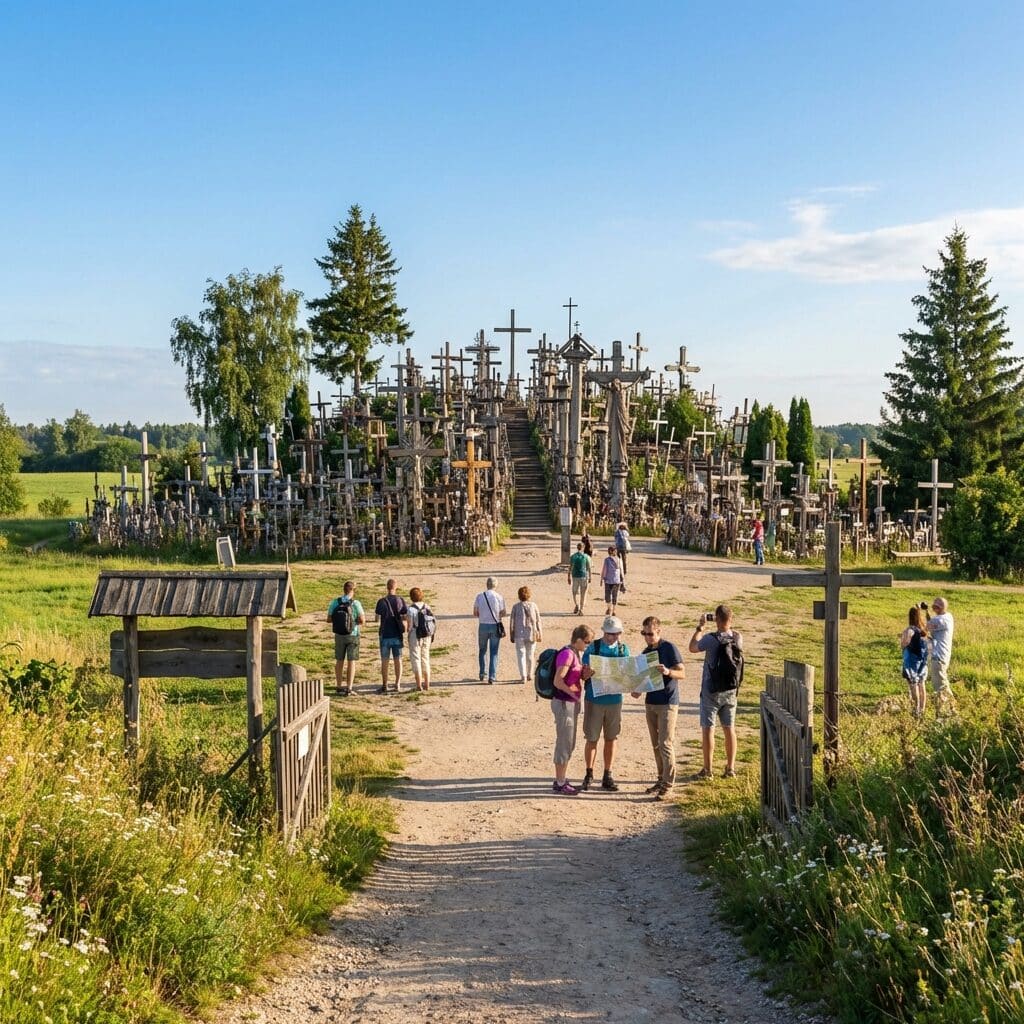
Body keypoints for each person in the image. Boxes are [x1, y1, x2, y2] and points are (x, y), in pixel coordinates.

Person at [631, 616, 685, 799]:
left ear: (659, 631)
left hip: (668, 702)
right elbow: (643, 679)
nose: (647, 637)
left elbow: (682, 673)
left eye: (650, 634)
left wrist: (668, 672)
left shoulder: (669, 648)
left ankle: (668, 784)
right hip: (651, 701)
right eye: (644, 633)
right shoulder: (646, 652)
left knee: (665, 743)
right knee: (656, 744)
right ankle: (661, 778)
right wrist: (637, 690)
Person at [688, 605, 743, 779]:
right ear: (731, 619)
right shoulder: (738, 637)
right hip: (731, 690)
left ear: (717, 619)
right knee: (729, 729)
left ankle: (708, 770)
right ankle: (730, 768)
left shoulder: (711, 639)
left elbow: (693, 647)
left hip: (711, 690)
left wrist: (700, 628)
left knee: (708, 730)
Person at [580, 615, 629, 792]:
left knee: (611, 737)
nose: (612, 638)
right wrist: (589, 673)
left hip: (614, 700)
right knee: (592, 738)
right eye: (609, 634)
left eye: (616, 634)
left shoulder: (624, 649)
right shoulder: (593, 648)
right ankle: (589, 773)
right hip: (594, 699)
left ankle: (607, 774)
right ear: (604, 632)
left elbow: (627, 676)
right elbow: (582, 676)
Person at [550, 624, 594, 795]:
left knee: (569, 742)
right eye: (587, 642)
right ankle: (560, 782)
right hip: (564, 703)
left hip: (569, 703)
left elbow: (575, 677)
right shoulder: (568, 654)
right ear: (578, 640)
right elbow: (558, 680)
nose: (588, 645)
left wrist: (586, 674)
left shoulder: (576, 653)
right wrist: (573, 693)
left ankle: (561, 779)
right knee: (564, 742)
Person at [326, 580, 365, 696]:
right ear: (353, 590)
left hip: (339, 634)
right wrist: (353, 622)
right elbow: (362, 620)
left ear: (344, 590)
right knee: (351, 661)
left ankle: (338, 686)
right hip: (353, 634)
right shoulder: (356, 603)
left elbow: (328, 619)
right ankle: (349, 687)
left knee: (339, 660)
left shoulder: (335, 602)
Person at [374, 578, 408, 694]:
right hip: (397, 634)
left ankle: (384, 685)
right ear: (395, 587)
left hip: (385, 633)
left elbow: (376, 619)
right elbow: (405, 616)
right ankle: (397, 684)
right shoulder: (400, 600)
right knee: (398, 659)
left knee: (385, 660)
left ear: (387, 587)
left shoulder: (381, 601)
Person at [473, 576, 506, 684]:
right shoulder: (499, 597)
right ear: (495, 585)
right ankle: (492, 676)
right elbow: (503, 612)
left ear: (486, 584)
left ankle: (482, 673)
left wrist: (483, 615)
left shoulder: (479, 596)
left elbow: (475, 613)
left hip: (483, 625)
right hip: (495, 626)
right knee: (494, 651)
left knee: (482, 650)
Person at [510, 585, 543, 685]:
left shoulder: (515, 607)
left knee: (521, 655)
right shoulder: (534, 605)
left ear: (519, 596)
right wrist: (540, 633)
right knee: (530, 655)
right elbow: (538, 621)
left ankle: (523, 676)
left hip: (519, 634)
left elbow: (512, 621)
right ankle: (530, 674)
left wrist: (512, 634)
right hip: (531, 633)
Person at [928, 596, 955, 715]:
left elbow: (925, 626)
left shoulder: (939, 620)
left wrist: (918, 611)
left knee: (941, 685)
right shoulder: (948, 616)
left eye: (935, 606)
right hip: (944, 655)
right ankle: (946, 708)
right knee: (942, 682)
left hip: (938, 657)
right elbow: (931, 624)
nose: (934, 607)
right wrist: (926, 612)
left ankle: (951, 708)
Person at [406, 586, 433, 692]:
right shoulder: (427, 607)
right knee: (425, 658)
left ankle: (418, 685)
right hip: (426, 635)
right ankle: (427, 684)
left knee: (416, 659)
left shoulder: (411, 609)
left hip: (415, 635)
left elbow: (409, 626)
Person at [567, 542, 592, 615]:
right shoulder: (586, 556)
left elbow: (570, 567)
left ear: (577, 547)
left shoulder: (573, 556)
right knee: (583, 593)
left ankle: (576, 604)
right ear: (583, 548)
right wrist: (590, 576)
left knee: (574, 592)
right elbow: (589, 568)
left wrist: (568, 576)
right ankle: (581, 609)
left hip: (575, 576)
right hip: (584, 576)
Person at [600, 546, 623, 615]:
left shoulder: (609, 560)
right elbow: (621, 569)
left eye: (611, 551)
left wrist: (602, 578)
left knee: (610, 596)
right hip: (614, 580)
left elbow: (604, 570)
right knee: (612, 596)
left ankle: (611, 609)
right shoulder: (617, 560)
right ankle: (612, 609)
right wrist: (622, 579)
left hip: (611, 580)